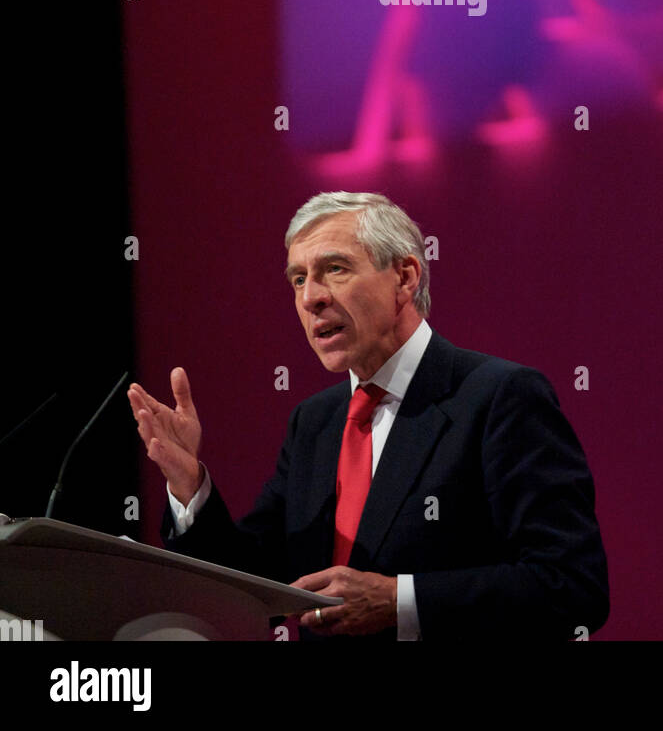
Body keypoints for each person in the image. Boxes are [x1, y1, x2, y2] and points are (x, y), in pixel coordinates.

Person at [128, 192, 609, 640]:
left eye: (334, 269)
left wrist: (399, 601)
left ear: (405, 277)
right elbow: (251, 585)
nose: (311, 297)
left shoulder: (499, 397)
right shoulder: (314, 422)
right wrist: (188, 485)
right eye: (299, 278)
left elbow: (572, 584)